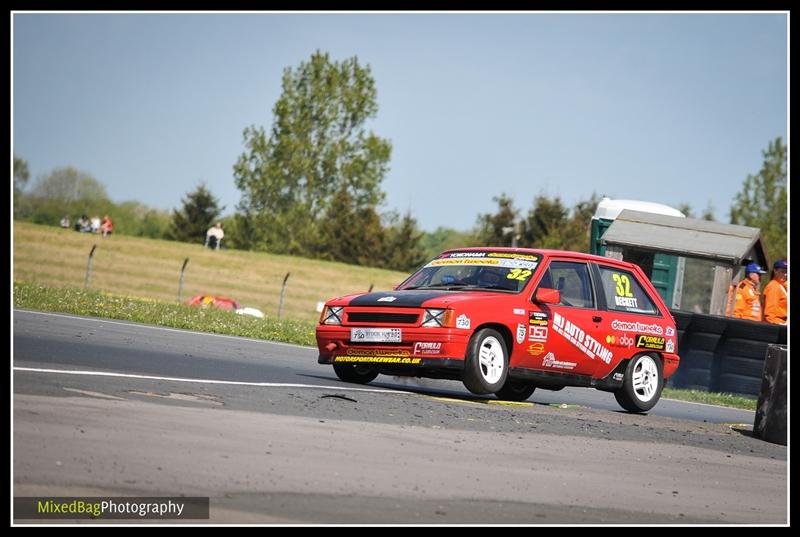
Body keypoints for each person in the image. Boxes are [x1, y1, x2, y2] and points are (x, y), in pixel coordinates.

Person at [762, 259, 787, 325]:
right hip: (777, 323)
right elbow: (770, 312)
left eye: (786, 272)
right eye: (782, 271)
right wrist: (776, 325)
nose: (785, 274)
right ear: (775, 271)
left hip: (783, 322)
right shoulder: (773, 286)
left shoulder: (781, 286)